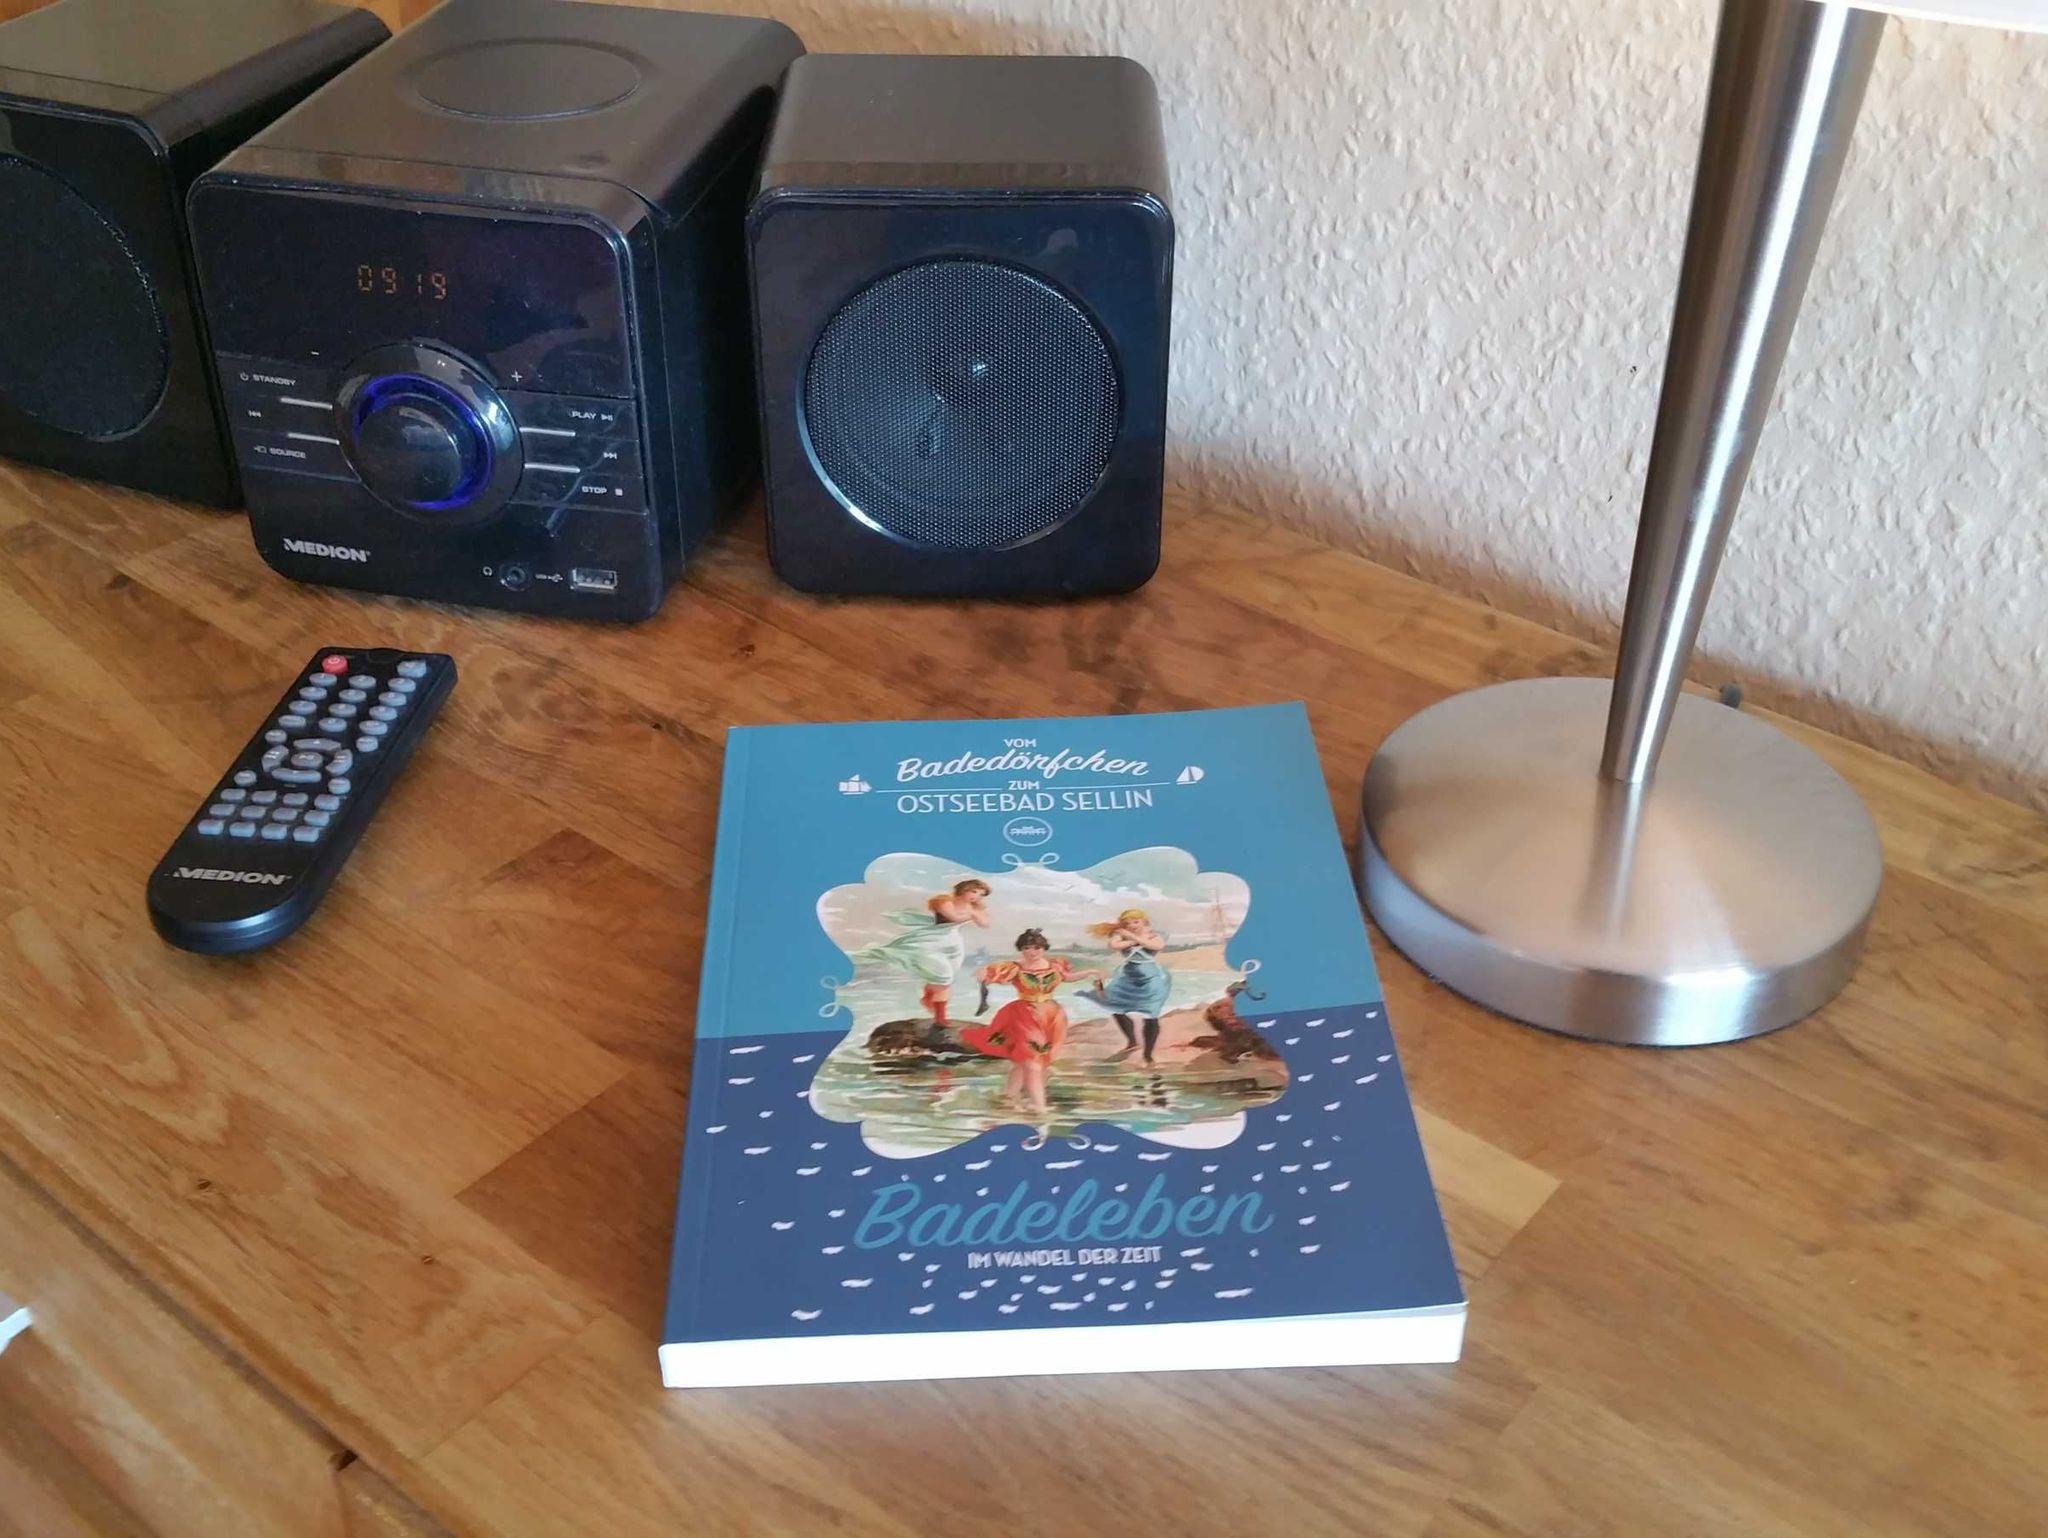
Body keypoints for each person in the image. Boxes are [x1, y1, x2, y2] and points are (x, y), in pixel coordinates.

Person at [960, 929, 1101, 1115]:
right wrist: (983, 972)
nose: (1032, 952)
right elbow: (990, 975)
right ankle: (1039, 1106)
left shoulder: (1055, 965)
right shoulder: (1015, 968)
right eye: (1027, 948)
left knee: (1024, 1062)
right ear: (1021, 949)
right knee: (1032, 1061)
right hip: (1024, 1015)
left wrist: (1090, 972)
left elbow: (1068, 978)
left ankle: (1009, 1096)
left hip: (1051, 1016)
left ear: (1043, 948)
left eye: (1036, 947)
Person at [850, 878, 990, 1024]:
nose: (976, 896)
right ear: (963, 889)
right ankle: (940, 1018)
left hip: (953, 943)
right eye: (973, 891)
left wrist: (975, 913)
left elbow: (985, 923)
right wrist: (973, 914)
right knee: (943, 977)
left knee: (945, 978)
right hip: (932, 940)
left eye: (981, 894)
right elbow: (953, 917)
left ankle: (928, 997)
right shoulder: (944, 901)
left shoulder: (974, 907)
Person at [1090, 907, 1172, 1064]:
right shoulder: (1120, 935)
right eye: (1128, 923)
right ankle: (1132, 1041)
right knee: (1114, 1006)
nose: (1132, 925)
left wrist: (1132, 937)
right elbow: (1114, 946)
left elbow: (1157, 946)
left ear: (1144, 921)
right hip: (1128, 976)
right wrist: (1134, 939)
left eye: (1136, 922)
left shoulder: (1154, 935)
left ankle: (1148, 1054)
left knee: (1151, 1015)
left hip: (1150, 978)